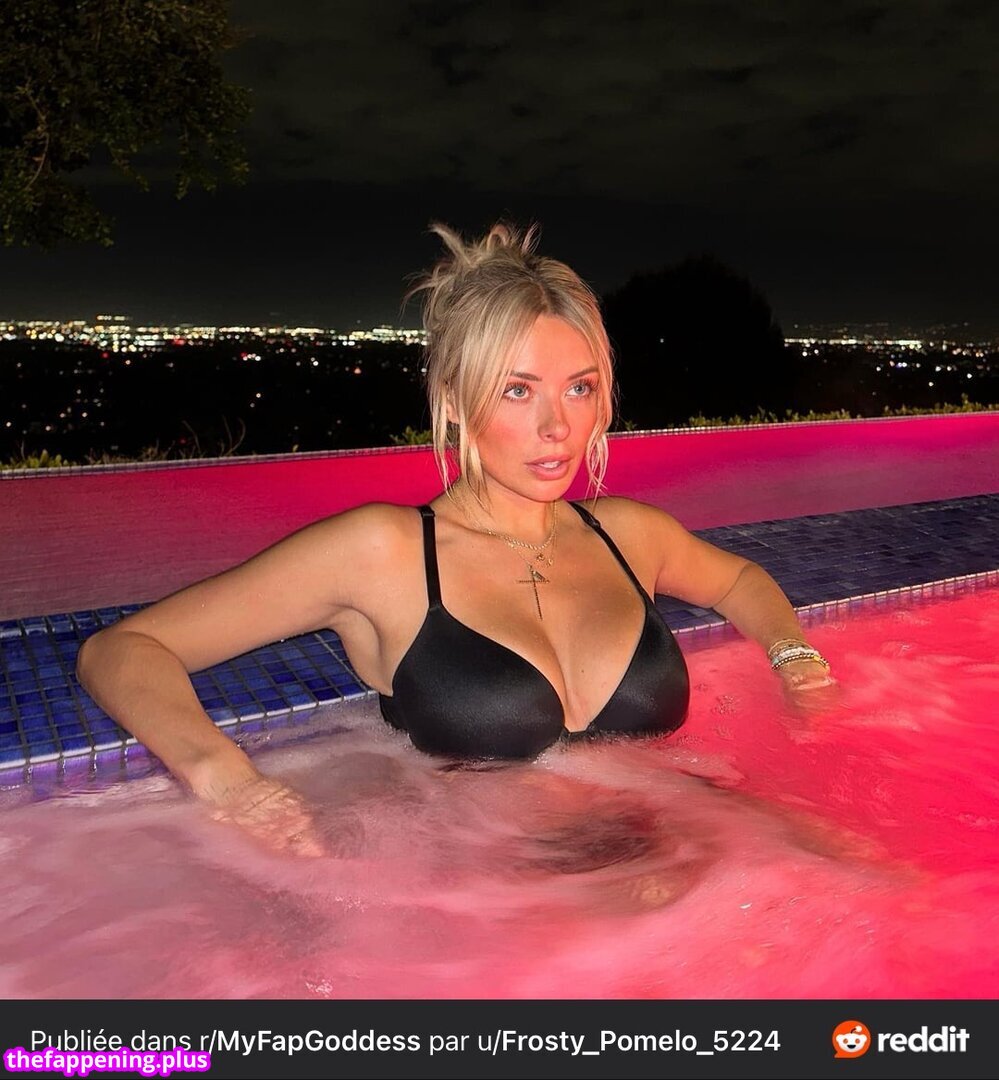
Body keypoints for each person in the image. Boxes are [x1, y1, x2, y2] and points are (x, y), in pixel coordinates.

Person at [77, 222, 835, 855]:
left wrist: (793, 657)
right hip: (515, 911)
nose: (557, 426)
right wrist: (227, 778)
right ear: (451, 401)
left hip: (704, 849)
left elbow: (739, 580)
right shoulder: (386, 553)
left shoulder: (628, 535)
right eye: (517, 390)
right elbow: (122, 650)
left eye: (579, 387)